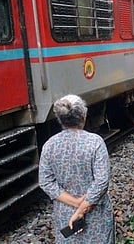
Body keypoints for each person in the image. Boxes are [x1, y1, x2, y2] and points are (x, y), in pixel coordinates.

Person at [39, 95, 115, 243]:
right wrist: (82, 209)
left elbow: (45, 182)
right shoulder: (95, 143)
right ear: (83, 117)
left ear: (60, 119)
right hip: (95, 212)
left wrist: (75, 204)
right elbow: (102, 181)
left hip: (66, 214)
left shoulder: (49, 145)